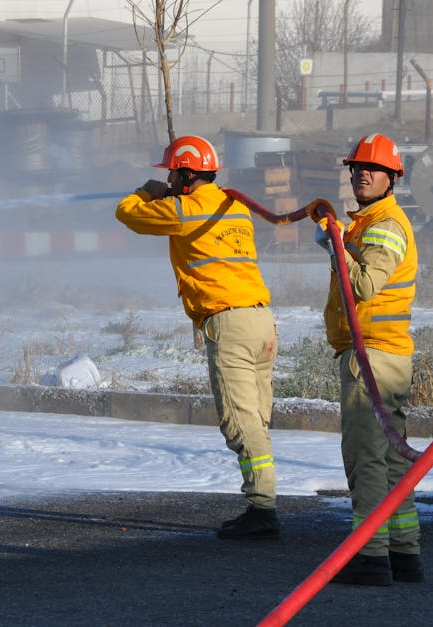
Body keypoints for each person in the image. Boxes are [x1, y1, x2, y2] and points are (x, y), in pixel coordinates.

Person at [115, 135, 280, 540]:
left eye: (173, 173)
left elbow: (127, 214)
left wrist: (146, 191)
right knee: (257, 419)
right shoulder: (234, 207)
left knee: (240, 423)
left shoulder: (187, 209)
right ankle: (262, 502)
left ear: (187, 175)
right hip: (262, 322)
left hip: (230, 325)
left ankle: (262, 509)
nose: (168, 179)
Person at [323, 133, 423, 586]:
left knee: (366, 458)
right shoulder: (371, 222)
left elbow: (363, 286)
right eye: (358, 167)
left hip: (373, 358)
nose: (363, 173)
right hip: (386, 354)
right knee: (393, 461)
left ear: (392, 177)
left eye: (374, 168)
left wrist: (335, 247)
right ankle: (404, 553)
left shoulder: (384, 225)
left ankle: (369, 556)